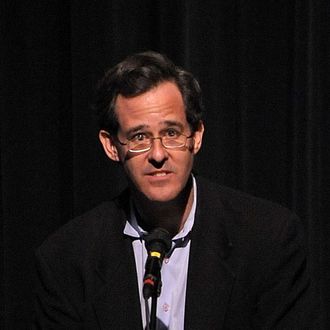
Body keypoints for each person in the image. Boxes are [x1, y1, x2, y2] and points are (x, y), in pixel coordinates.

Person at [33, 51, 317, 329]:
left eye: (171, 133)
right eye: (139, 137)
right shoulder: (67, 259)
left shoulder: (267, 239)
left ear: (196, 137)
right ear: (111, 146)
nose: (158, 154)